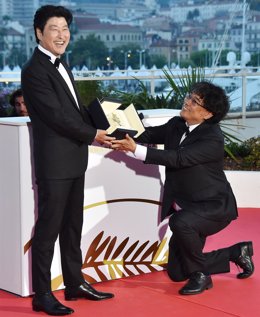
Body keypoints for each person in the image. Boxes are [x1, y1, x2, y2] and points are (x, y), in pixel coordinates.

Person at [111, 81, 254, 295]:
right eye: (189, 96)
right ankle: (235, 252)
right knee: (177, 272)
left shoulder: (212, 138)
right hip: (189, 207)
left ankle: (201, 276)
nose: (186, 102)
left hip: (213, 208)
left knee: (181, 222)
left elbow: (178, 158)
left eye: (194, 101)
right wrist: (115, 127)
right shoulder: (177, 124)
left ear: (207, 114)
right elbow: (147, 135)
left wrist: (136, 150)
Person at [21, 5, 115, 316]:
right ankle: (42, 295)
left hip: (75, 159)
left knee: (73, 226)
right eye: (54, 29)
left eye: (65, 28)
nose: (62, 35)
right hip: (55, 164)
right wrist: (95, 135)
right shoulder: (34, 70)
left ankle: (75, 283)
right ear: (39, 33)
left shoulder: (63, 64)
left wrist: (111, 120)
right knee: (48, 230)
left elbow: (74, 111)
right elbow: (58, 118)